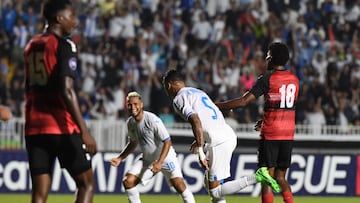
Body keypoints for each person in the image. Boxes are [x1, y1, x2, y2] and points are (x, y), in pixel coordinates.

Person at [162, 69, 280, 203]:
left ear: (169, 85)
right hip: (226, 135)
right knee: (209, 184)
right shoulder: (198, 92)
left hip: (218, 141)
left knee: (215, 191)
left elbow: (196, 120)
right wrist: (200, 139)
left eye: (164, 85)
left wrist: (201, 151)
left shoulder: (179, 98)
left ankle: (257, 177)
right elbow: (207, 116)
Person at [23, 1, 97, 203]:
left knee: (39, 194)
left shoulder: (31, 45)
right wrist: (84, 131)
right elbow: (67, 90)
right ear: (59, 18)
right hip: (60, 126)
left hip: (34, 127)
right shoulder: (64, 45)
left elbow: (27, 87)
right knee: (86, 184)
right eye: (72, 16)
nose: (75, 21)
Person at [216, 42, 299, 203]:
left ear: (272, 58)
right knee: (281, 177)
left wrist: (217, 106)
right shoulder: (294, 80)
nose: (265, 59)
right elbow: (284, 106)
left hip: (271, 134)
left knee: (266, 176)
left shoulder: (268, 79)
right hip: (288, 134)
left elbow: (243, 101)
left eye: (267, 55)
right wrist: (266, 118)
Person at [110, 91, 195, 203]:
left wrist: (160, 162)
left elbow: (167, 141)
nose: (132, 107)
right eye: (129, 105)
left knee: (179, 185)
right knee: (128, 181)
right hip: (148, 159)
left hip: (165, 156)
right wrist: (120, 158)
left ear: (141, 104)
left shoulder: (152, 119)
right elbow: (133, 143)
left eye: (135, 104)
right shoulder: (130, 123)